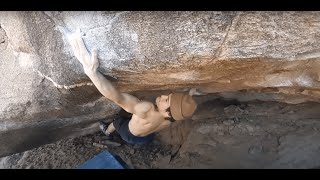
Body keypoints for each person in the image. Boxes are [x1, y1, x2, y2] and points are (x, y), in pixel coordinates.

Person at [66, 29, 197, 145]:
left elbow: (117, 97)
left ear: (167, 112)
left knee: (118, 121)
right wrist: (189, 95)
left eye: (166, 100)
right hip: (145, 138)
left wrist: (92, 73)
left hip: (128, 133)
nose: (163, 96)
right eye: (168, 96)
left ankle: (107, 131)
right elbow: (178, 109)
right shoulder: (170, 120)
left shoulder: (146, 109)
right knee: (140, 129)